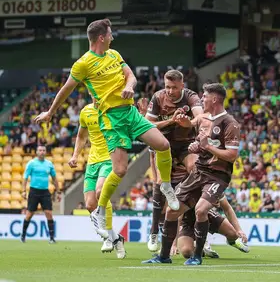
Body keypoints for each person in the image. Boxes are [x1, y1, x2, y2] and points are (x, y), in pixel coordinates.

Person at [34, 19, 178, 242]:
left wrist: (129, 87)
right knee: (120, 170)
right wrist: (50, 113)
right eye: (110, 34)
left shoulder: (114, 54)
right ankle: (100, 211)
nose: (112, 37)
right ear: (101, 37)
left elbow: (130, 75)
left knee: (163, 145)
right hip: (111, 119)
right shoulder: (83, 64)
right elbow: (65, 90)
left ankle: (166, 185)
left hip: (130, 113)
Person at [142, 82, 241, 266]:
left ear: (214, 99)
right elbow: (190, 124)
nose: (202, 99)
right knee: (172, 210)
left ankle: (197, 256)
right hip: (198, 172)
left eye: (204, 96)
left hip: (217, 176)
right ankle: (163, 256)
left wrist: (208, 147)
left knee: (201, 209)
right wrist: (181, 122)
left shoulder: (230, 124)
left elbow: (232, 155)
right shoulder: (203, 118)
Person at [142, 70, 204, 252]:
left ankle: (196, 220)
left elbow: (201, 116)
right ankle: (154, 232)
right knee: (161, 183)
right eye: (167, 87)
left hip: (185, 145)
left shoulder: (191, 96)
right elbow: (147, 125)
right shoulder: (157, 97)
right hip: (163, 146)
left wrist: (189, 123)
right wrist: (171, 121)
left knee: (195, 168)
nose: (170, 91)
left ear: (182, 86)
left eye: (174, 88)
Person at [69, 101, 125, 258]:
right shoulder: (85, 112)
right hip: (92, 162)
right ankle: (115, 238)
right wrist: (75, 156)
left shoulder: (112, 109)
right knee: (90, 205)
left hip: (109, 158)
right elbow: (81, 136)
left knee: (101, 191)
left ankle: (107, 238)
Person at [179, 195, 249, 259]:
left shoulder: (215, 187)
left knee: (233, 234)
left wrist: (239, 229)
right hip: (187, 221)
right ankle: (202, 251)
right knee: (187, 252)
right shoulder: (186, 188)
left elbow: (227, 208)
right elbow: (178, 217)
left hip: (207, 214)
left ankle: (232, 242)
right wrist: (173, 245)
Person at [21, 146, 60, 244]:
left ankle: (51, 238)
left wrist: (58, 192)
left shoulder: (49, 164)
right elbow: (25, 178)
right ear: (36, 152)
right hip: (34, 191)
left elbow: (54, 179)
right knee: (29, 214)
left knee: (49, 214)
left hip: (45, 192)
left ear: (46, 152)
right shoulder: (31, 163)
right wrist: (23, 191)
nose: (42, 152)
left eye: (43, 150)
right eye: (40, 150)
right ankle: (23, 235)